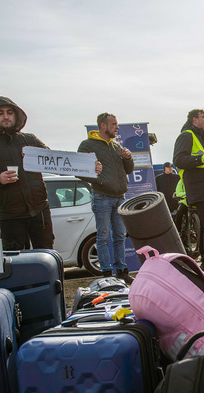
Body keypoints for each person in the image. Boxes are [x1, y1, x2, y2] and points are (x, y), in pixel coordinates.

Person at [0, 96, 55, 250]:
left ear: (16, 115)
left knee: (47, 256)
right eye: (0, 113)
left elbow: (55, 161)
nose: (6, 117)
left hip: (40, 210)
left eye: (10, 112)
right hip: (9, 215)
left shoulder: (29, 139)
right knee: (15, 263)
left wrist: (89, 166)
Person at [77, 112, 134, 283]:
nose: (117, 127)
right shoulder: (87, 145)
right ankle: (106, 273)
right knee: (102, 236)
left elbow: (128, 170)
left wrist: (128, 158)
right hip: (102, 196)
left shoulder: (116, 146)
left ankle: (121, 271)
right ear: (103, 125)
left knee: (119, 236)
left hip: (119, 197)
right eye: (114, 124)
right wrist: (99, 181)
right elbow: (79, 170)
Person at [173, 108, 204, 272]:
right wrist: (200, 159)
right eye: (203, 117)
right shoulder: (187, 135)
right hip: (200, 187)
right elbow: (178, 160)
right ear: (194, 120)